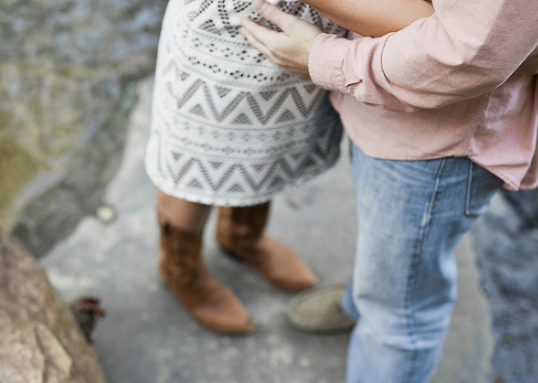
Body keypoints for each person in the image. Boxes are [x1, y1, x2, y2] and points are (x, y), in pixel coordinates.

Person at [239, 0, 538, 383]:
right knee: (390, 253)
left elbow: (469, 53)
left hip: (434, 146)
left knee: (404, 301)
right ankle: (364, 298)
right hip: (387, 113)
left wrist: (325, 59)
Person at [145, 0, 435, 334]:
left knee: (265, 148)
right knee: (197, 157)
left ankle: (240, 235)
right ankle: (181, 268)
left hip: (313, 32)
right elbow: (460, 36)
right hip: (231, 25)